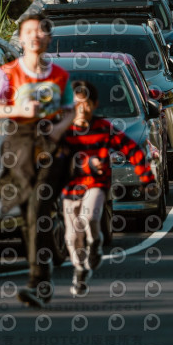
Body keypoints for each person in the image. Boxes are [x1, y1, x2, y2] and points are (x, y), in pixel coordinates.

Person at [0, 13, 75, 308]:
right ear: (20, 39)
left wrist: (59, 128)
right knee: (28, 214)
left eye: (41, 31)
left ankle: (37, 281)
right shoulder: (6, 73)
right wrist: (17, 109)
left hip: (51, 144)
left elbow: (71, 110)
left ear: (48, 38)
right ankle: (44, 273)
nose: (35, 35)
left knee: (38, 206)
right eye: (29, 31)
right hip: (19, 141)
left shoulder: (59, 75)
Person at [61, 80, 156, 296]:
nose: (81, 109)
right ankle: (80, 269)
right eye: (76, 104)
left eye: (86, 104)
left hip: (96, 184)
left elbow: (133, 150)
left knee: (89, 217)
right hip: (70, 187)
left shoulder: (104, 128)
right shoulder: (64, 130)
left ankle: (95, 241)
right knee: (72, 235)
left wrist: (147, 180)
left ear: (94, 105)